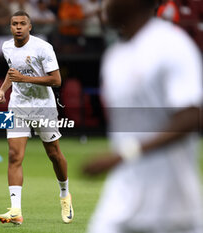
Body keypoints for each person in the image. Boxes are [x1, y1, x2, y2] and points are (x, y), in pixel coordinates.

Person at [83, 0, 203, 232]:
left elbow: (192, 115)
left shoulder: (171, 45)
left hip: (171, 207)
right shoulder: (115, 55)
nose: (105, 5)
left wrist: (124, 155)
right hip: (121, 197)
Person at [0, 10, 74, 225]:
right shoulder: (6, 47)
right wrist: (3, 89)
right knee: (13, 155)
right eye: (14, 24)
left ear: (30, 27)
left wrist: (24, 78)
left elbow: (56, 80)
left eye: (22, 23)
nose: (18, 27)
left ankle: (65, 194)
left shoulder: (43, 47)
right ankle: (15, 211)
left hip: (43, 107)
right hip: (17, 106)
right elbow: (13, 71)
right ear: (10, 27)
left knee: (54, 154)